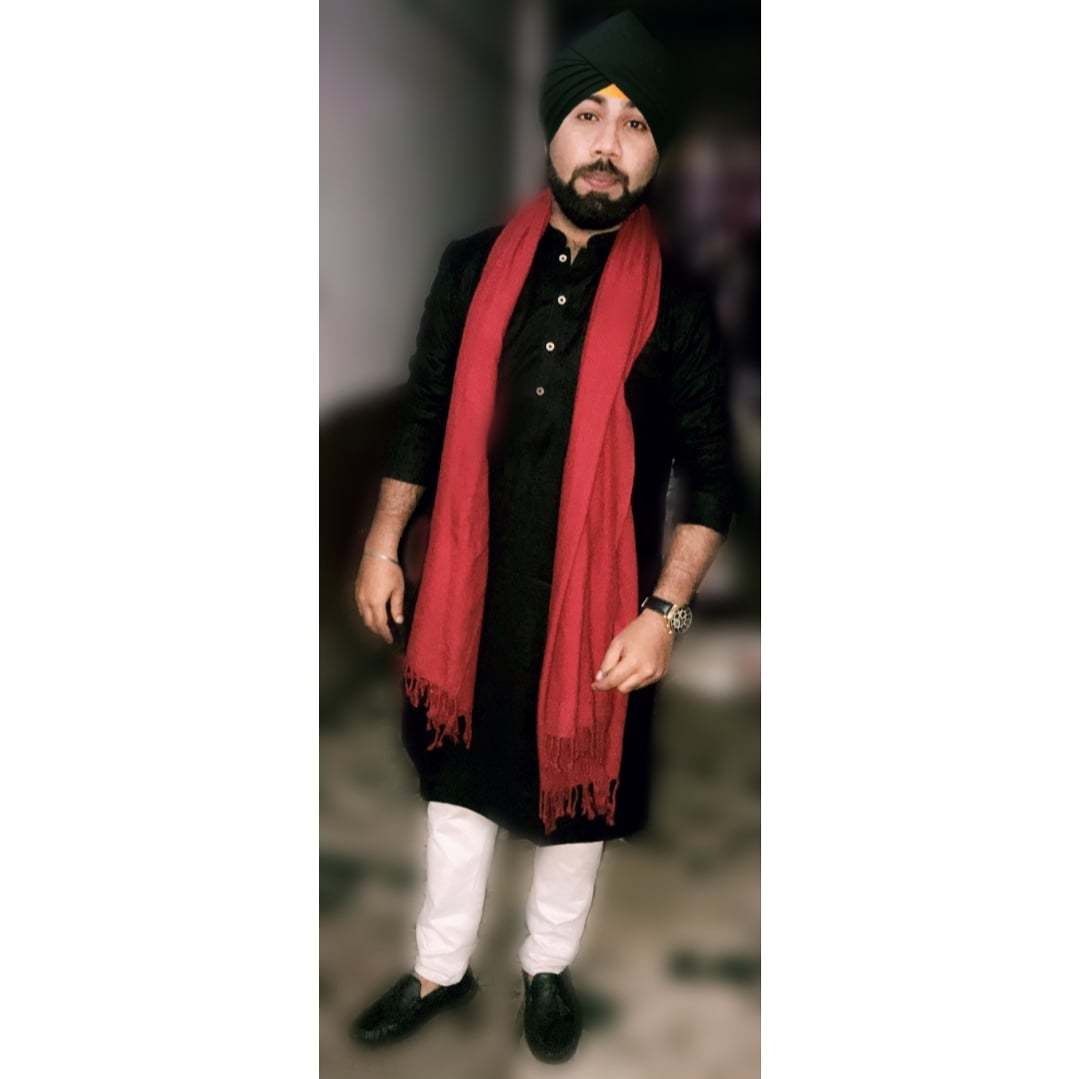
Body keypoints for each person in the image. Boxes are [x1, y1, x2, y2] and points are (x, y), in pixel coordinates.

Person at [349, 10, 739, 1064]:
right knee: (456, 796)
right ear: (552, 131)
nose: (608, 142)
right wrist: (384, 543)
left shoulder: (678, 307)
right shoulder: (470, 268)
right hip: (466, 596)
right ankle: (439, 966)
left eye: (635, 124)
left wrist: (663, 613)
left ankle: (545, 968)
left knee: (577, 809)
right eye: (588, 115)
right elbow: (424, 414)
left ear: (655, 154)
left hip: (596, 611)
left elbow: (712, 475)